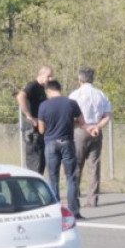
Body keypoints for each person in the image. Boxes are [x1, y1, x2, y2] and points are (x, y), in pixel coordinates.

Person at [37, 80, 85, 219]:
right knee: (71, 177)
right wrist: (70, 124)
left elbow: (41, 129)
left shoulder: (44, 105)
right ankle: (74, 211)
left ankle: (56, 212)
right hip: (67, 142)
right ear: (59, 89)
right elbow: (81, 122)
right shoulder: (71, 103)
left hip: (51, 144)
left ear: (48, 91)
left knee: (53, 178)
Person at [68, 66, 112, 208]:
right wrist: (97, 127)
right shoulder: (101, 94)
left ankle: (74, 197)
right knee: (94, 166)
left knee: (76, 164)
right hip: (96, 131)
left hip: (80, 130)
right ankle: (92, 199)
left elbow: (70, 115)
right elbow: (108, 116)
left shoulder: (75, 94)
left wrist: (83, 126)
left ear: (80, 79)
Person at [16, 66, 54, 175]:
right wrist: (29, 116)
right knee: (35, 164)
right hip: (32, 130)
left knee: (41, 162)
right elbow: (20, 96)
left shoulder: (44, 89)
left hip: (41, 130)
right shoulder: (33, 85)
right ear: (41, 75)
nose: (51, 79)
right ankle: (31, 190)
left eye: (52, 77)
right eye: (49, 76)